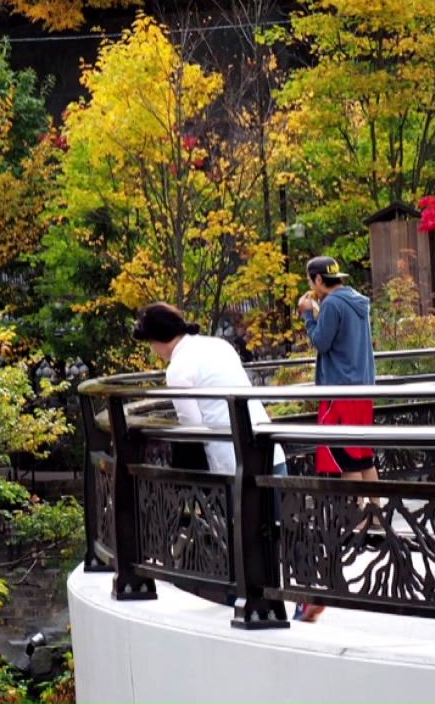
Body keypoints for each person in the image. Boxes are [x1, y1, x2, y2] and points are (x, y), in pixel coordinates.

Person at [294, 256, 376, 623]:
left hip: (339, 389)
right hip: (363, 388)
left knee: (343, 456)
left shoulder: (330, 305)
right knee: (364, 454)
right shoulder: (358, 301)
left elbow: (321, 342)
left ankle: (354, 519)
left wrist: (308, 315)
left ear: (316, 280)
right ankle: (376, 514)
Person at [132, 303, 283, 476]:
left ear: (158, 339)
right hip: (268, 447)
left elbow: (192, 425)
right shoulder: (219, 345)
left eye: (151, 342)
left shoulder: (178, 368)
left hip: (232, 462)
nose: (153, 350)